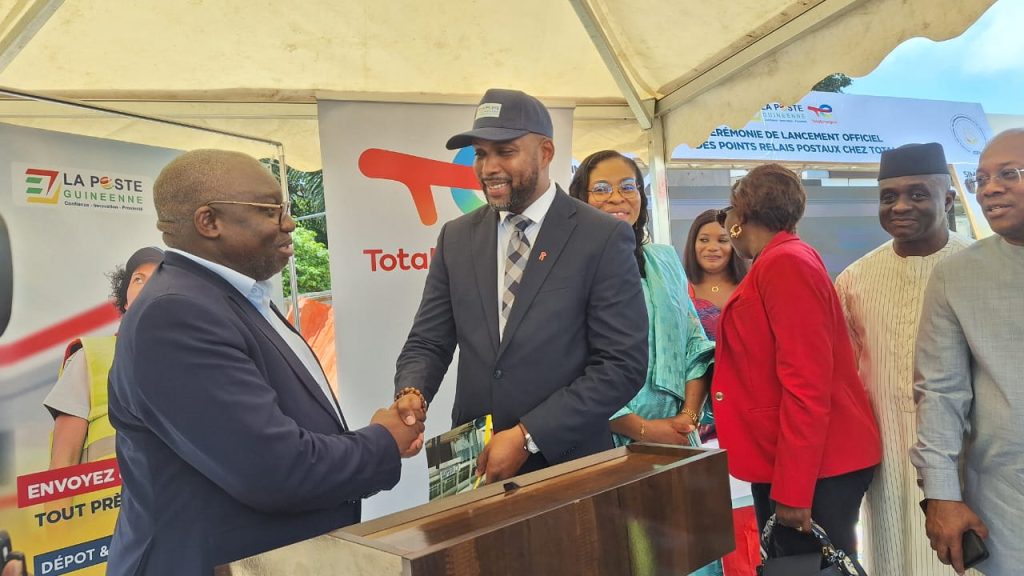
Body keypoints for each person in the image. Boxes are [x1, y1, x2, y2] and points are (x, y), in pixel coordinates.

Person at [106, 149, 424, 576]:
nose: (289, 223)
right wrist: (383, 442)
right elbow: (276, 470)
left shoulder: (231, 296)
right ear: (209, 222)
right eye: (270, 210)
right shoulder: (176, 314)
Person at [394, 89, 648, 484]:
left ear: (545, 152)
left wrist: (529, 435)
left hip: (567, 465)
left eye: (505, 152)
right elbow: (429, 339)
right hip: (472, 462)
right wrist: (411, 392)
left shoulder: (601, 237)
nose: (489, 168)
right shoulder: (456, 237)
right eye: (481, 154)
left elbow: (622, 364)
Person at [714, 163, 881, 559]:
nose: (726, 224)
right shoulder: (781, 258)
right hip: (800, 461)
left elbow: (807, 382)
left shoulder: (784, 263)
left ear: (740, 216)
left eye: (726, 214)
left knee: (803, 567)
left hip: (814, 467)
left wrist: (793, 488)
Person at [569, 150, 720, 576]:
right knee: (633, 560)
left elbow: (695, 341)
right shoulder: (567, 272)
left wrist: (687, 417)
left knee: (691, 557)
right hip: (608, 443)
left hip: (678, 441)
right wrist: (642, 429)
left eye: (628, 186)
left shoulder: (664, 260)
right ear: (581, 198)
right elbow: (568, 364)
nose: (617, 197)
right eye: (601, 189)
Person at [834, 143, 972, 576]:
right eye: (888, 196)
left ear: (947, 200)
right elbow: (845, 378)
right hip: (886, 459)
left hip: (967, 458)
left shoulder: (978, 268)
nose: (900, 206)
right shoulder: (854, 279)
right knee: (892, 560)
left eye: (917, 194)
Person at [912, 128, 1024, 575]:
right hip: (1007, 499)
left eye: (1009, 174)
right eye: (982, 178)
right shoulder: (956, 276)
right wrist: (941, 493)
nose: (989, 188)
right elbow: (939, 392)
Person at [44, 246, 163, 469]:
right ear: (125, 300)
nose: (148, 287)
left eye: (158, 279)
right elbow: (63, 462)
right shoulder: (89, 357)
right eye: (138, 279)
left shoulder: (192, 360)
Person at [683, 208, 748, 342]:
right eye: (704, 240)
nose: (712, 247)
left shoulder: (750, 287)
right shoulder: (679, 291)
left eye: (722, 240)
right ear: (693, 244)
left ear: (735, 245)